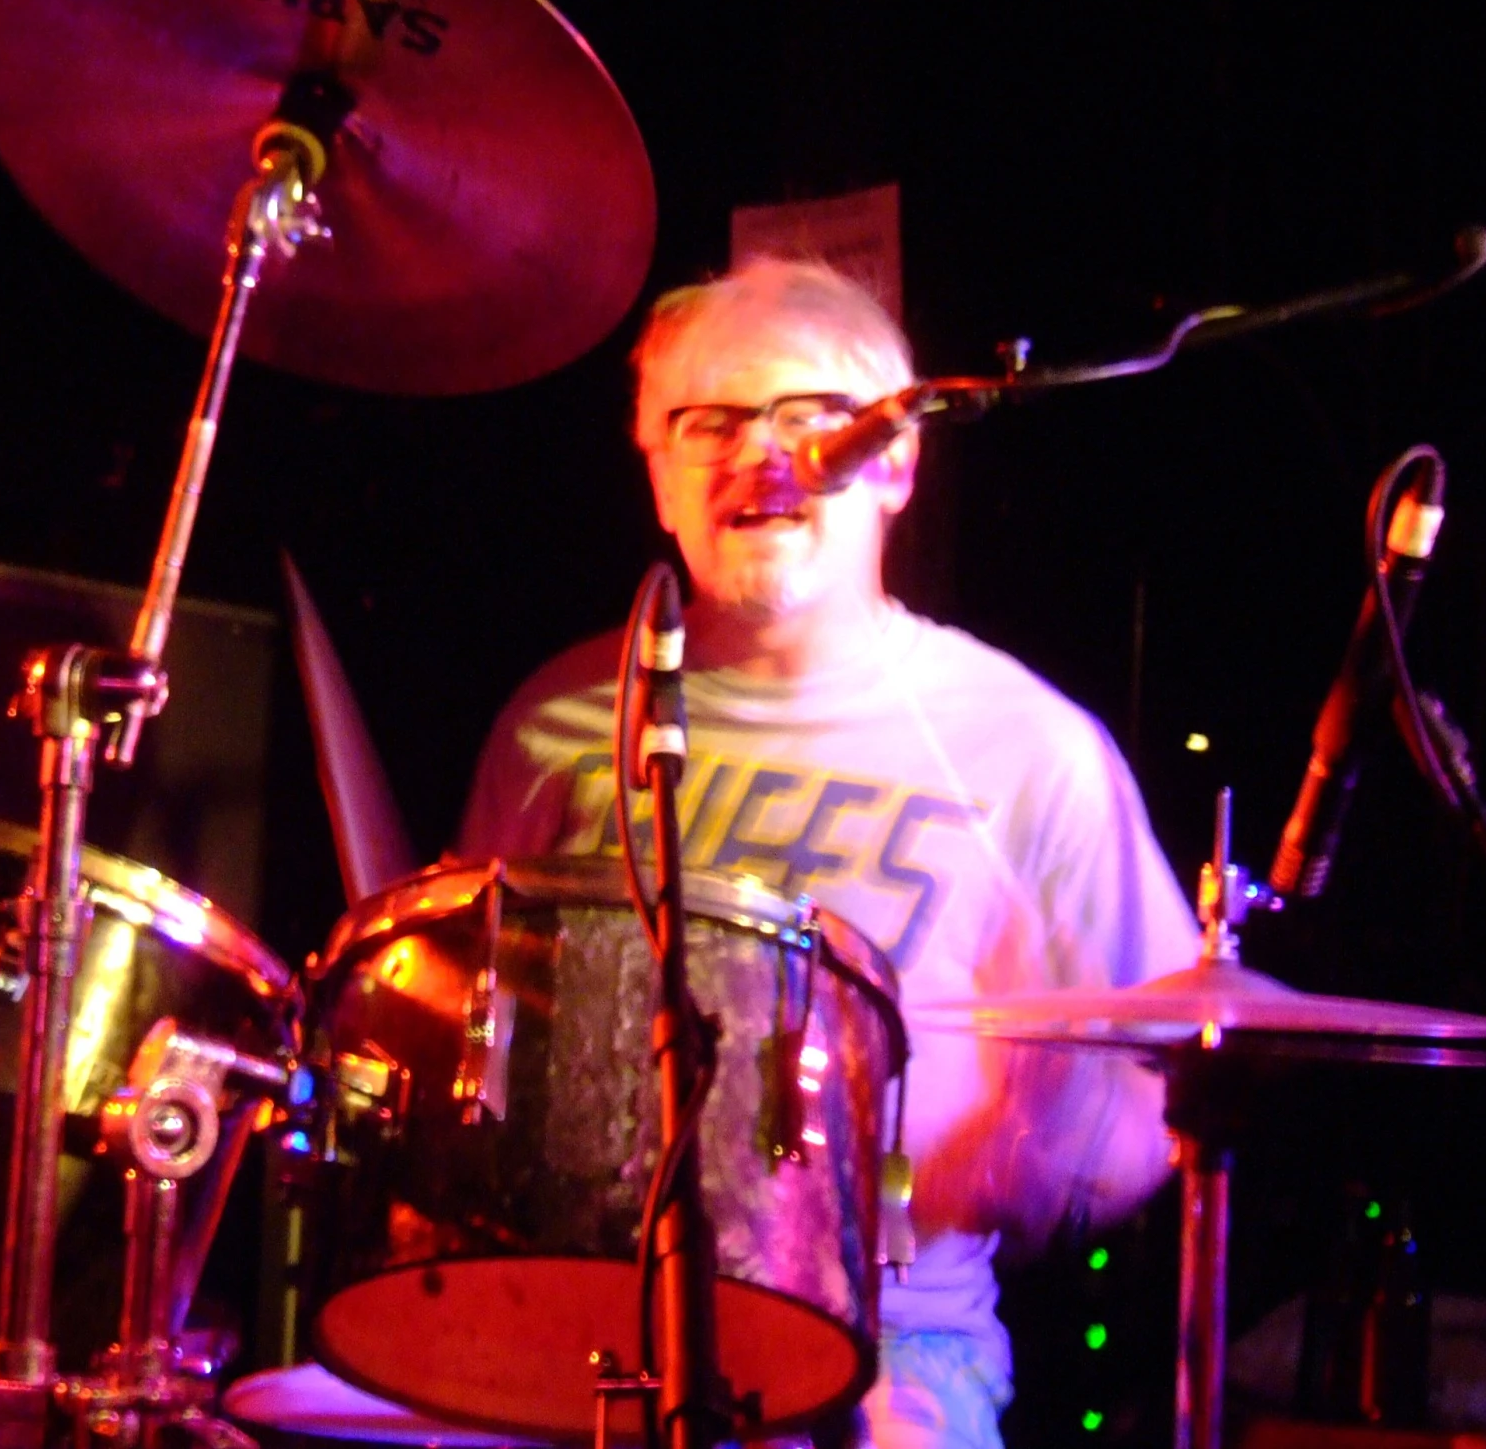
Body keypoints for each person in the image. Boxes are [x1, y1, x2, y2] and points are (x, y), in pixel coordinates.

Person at [457, 258, 1201, 1449]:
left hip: (889, 1347)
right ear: (657, 473)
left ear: (898, 462)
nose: (763, 455)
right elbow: (470, 1042)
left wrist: (1026, 1148)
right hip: (570, 1322)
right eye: (712, 421)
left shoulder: (1027, 749)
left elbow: (1160, 1102)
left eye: (810, 417)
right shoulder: (556, 721)